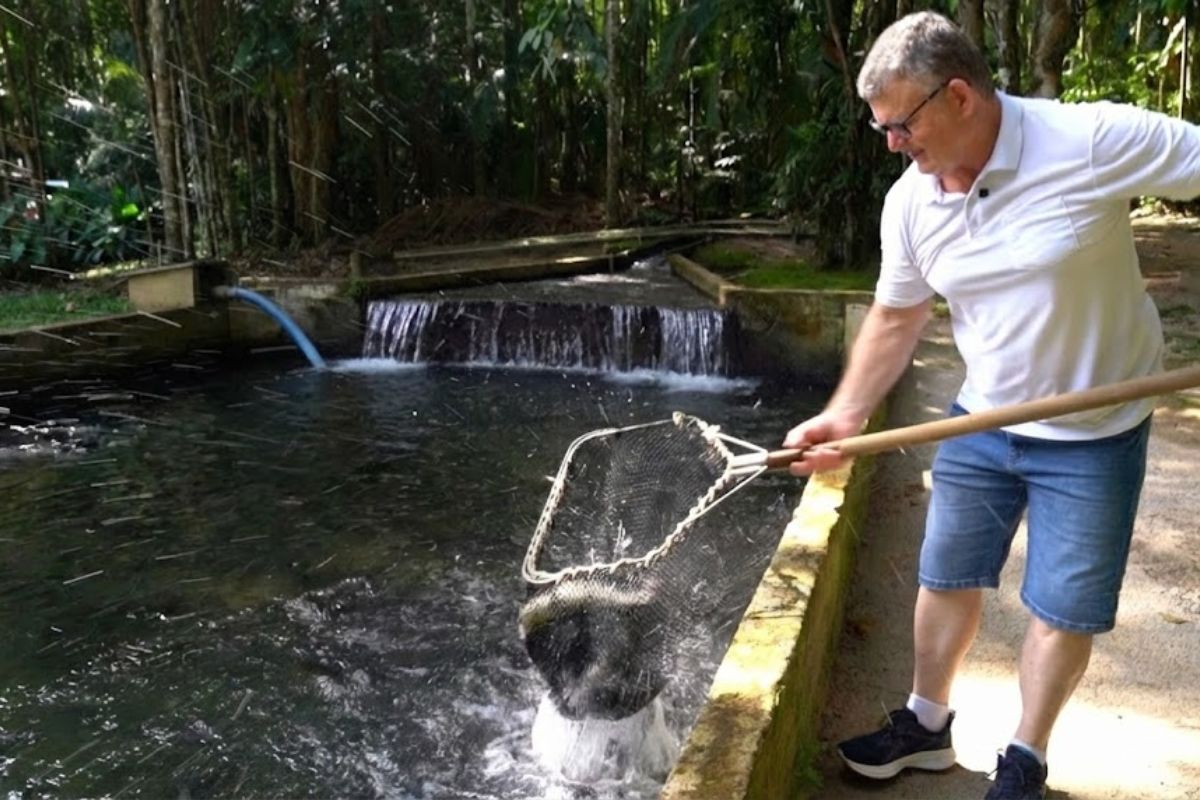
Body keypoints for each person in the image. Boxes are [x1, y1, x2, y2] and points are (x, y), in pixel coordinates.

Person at [782, 11, 1200, 800]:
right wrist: (845, 414)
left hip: (1096, 430)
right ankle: (927, 725)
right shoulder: (909, 203)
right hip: (983, 417)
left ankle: (1025, 759)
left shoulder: (1089, 140)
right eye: (881, 127)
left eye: (901, 123)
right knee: (945, 575)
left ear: (961, 97)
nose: (891, 143)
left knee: (1063, 607)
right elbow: (899, 315)